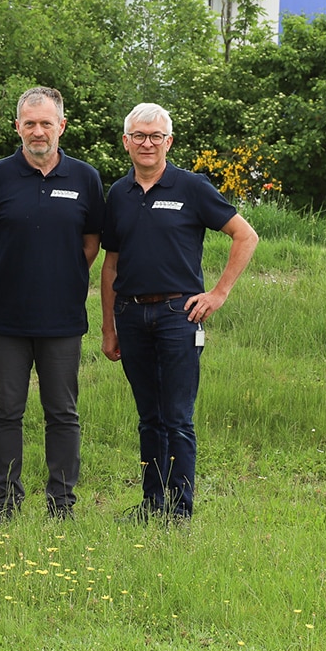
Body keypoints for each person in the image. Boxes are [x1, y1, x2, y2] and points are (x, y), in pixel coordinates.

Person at [100, 102, 258, 524]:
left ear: (168, 142)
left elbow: (245, 235)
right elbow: (111, 264)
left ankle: (179, 510)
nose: (147, 143)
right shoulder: (118, 194)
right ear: (126, 142)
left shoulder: (192, 187)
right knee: (149, 418)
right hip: (131, 316)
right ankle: (152, 504)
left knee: (177, 418)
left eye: (156, 136)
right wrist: (108, 326)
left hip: (178, 316)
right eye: (139, 136)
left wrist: (218, 293)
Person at [0, 87, 105, 525]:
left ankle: (61, 505)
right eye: (29, 123)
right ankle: (8, 504)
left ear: (61, 126)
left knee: (62, 413)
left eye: (46, 123)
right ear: (17, 127)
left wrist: (62, 276)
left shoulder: (85, 178)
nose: (38, 131)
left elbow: (91, 242)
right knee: (5, 411)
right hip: (5, 317)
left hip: (62, 318)